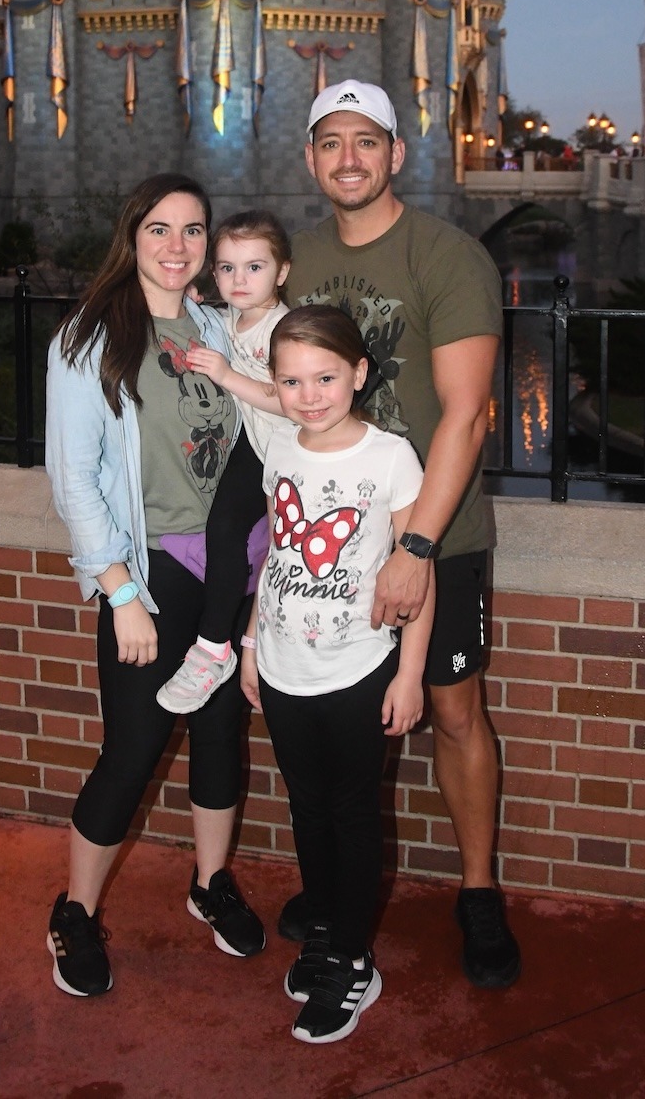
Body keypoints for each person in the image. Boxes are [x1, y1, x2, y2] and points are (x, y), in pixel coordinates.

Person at [285, 78, 521, 990]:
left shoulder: (448, 255)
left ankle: (477, 890)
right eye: (331, 142)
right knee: (340, 720)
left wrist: (415, 549)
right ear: (312, 158)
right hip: (324, 543)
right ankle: (345, 891)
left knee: (454, 710)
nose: (349, 158)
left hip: (436, 535)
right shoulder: (294, 259)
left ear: (395, 153)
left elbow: (464, 417)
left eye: (366, 141)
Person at [44, 172, 265, 1000]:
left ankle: (209, 884)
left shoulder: (221, 325)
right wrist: (118, 590)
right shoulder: (88, 337)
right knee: (133, 750)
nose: (178, 247)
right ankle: (74, 910)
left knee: (218, 736)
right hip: (151, 573)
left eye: (195, 231)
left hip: (228, 569)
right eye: (161, 230)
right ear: (131, 236)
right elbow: (74, 480)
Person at [239, 304, 433, 1044]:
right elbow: (276, 556)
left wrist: (409, 675)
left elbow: (419, 577)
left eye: (324, 377)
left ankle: (354, 959)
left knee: (351, 816)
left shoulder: (390, 458)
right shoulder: (282, 450)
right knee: (306, 809)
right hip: (285, 669)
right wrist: (254, 646)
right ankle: (324, 928)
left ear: (357, 373)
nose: (309, 394)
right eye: (291, 381)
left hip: (358, 670)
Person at [155, 209, 292, 715]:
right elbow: (219, 323)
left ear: (281, 272)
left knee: (236, 532)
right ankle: (229, 645)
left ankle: (216, 648)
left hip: (283, 452)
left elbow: (292, 400)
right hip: (251, 445)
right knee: (232, 533)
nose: (240, 279)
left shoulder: (284, 329)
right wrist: (192, 304)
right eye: (227, 268)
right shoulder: (234, 316)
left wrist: (227, 375)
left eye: (254, 268)